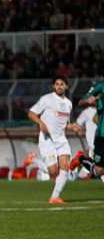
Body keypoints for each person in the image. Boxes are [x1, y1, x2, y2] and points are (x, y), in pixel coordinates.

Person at [28, 76, 83, 204]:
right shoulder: (46, 99)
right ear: (53, 86)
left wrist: (72, 126)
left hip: (61, 139)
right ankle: (34, 160)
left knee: (64, 168)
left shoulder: (68, 104)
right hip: (47, 140)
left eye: (62, 84)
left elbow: (64, 123)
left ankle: (54, 197)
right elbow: (31, 113)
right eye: (57, 84)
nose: (59, 86)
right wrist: (40, 123)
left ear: (66, 86)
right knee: (53, 171)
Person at [70, 80, 104, 181]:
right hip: (102, 136)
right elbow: (81, 101)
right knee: (99, 171)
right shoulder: (100, 86)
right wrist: (88, 100)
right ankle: (81, 159)